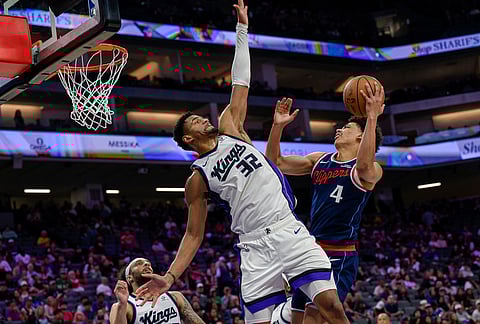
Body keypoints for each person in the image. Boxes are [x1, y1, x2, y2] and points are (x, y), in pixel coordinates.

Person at [134, 1, 349, 323]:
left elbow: (241, 81)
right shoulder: (197, 178)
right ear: (188, 139)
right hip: (253, 249)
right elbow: (193, 235)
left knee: (331, 305)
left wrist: (242, 29)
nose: (201, 120)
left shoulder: (231, 127)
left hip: (288, 231)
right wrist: (169, 277)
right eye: (193, 121)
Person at [265, 83, 384, 324]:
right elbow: (274, 162)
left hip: (338, 254)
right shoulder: (320, 160)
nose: (339, 130)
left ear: (361, 136)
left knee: (315, 318)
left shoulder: (369, 170)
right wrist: (277, 126)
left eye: (347, 128)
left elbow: (363, 165)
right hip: (310, 250)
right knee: (298, 319)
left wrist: (372, 117)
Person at [109, 258, 205, 324]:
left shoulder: (175, 297)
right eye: (139, 264)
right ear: (129, 278)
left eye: (148, 263)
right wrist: (122, 305)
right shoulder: (123, 306)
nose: (147, 264)